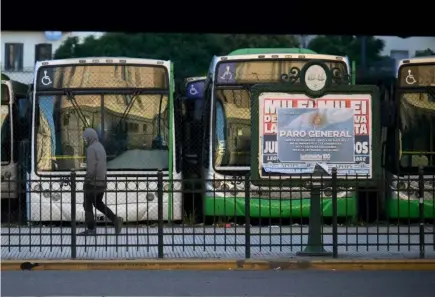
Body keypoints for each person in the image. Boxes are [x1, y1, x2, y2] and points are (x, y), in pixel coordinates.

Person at [78, 128, 123, 236]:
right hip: (101, 182)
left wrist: (87, 180)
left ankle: (91, 229)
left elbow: (91, 169)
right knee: (98, 203)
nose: (84, 140)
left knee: (87, 205)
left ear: (89, 137)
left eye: (85, 138)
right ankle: (116, 220)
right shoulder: (100, 147)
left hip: (92, 183)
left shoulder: (91, 149)